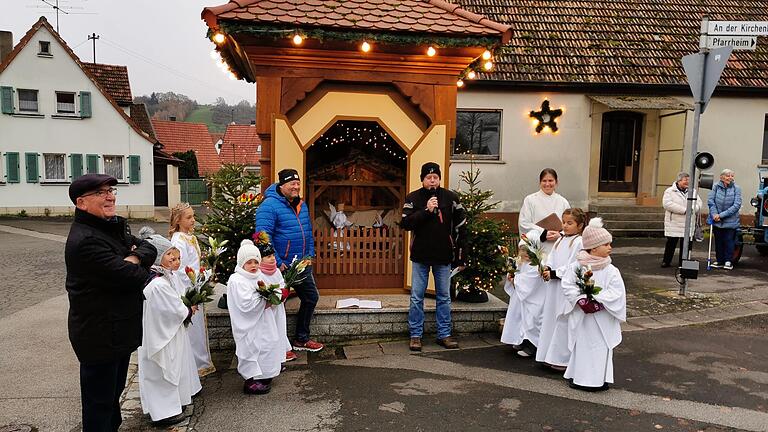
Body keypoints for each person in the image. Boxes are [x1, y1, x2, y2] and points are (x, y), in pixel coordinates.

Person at [65, 174, 157, 431]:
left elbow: (149, 247)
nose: (110, 196)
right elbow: (133, 277)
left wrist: (133, 257)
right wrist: (135, 263)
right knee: (99, 405)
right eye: (101, 193)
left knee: (112, 398)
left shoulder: (109, 228)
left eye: (111, 190)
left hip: (117, 330)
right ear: (81, 203)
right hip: (99, 334)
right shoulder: (86, 241)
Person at [137, 228, 201, 426]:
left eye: (176, 256)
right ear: (156, 259)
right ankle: (163, 412)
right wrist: (188, 310)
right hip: (161, 335)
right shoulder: (157, 284)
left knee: (174, 367)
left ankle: (174, 403)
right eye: (170, 256)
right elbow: (173, 308)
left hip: (171, 331)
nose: (175, 261)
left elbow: (178, 298)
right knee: (161, 370)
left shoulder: (167, 277)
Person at [255, 168, 324, 352]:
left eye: (298, 183)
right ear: (282, 185)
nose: (296, 187)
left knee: (310, 297)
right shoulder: (269, 205)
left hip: (301, 263)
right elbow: (262, 235)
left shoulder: (301, 204)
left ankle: (301, 339)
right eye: (292, 183)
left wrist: (309, 255)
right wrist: (277, 261)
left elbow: (307, 232)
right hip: (282, 265)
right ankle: (279, 346)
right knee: (277, 305)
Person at [401, 162, 468, 352]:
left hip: (443, 256)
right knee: (416, 297)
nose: (432, 181)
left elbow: (461, 228)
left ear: (439, 179)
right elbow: (405, 223)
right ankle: (415, 335)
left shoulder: (450, 198)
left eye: (435, 177)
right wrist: (426, 211)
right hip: (421, 256)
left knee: (444, 297)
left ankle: (444, 334)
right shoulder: (413, 198)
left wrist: (461, 257)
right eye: (429, 178)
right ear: (422, 179)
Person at [560, 218, 626, 391]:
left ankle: (598, 379)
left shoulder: (611, 270)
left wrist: (599, 302)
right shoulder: (577, 266)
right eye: (606, 244)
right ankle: (579, 377)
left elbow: (616, 291)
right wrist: (580, 299)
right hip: (582, 316)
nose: (610, 248)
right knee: (582, 345)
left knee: (599, 346)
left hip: (602, 317)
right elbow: (567, 284)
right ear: (594, 247)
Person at [227, 240, 286, 394]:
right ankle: (251, 379)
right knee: (252, 348)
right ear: (242, 263)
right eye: (249, 262)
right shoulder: (237, 280)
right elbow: (245, 304)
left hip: (264, 320)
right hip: (249, 323)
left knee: (268, 343)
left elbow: (267, 290)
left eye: (255, 262)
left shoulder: (258, 276)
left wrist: (276, 295)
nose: (253, 265)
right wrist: (266, 300)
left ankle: (265, 374)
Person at [169, 203, 216, 376]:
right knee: (192, 329)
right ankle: (193, 365)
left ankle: (200, 362)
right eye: (188, 217)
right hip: (188, 287)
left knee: (198, 329)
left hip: (195, 284)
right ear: (178, 220)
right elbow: (180, 268)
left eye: (193, 216)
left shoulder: (191, 237)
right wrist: (198, 276)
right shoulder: (178, 240)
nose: (193, 220)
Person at [537, 208, 586, 370]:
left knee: (562, 319)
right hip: (553, 286)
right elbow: (552, 256)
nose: (565, 226)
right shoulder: (560, 240)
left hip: (564, 287)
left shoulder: (579, 242)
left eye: (569, 223)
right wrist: (547, 267)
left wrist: (555, 273)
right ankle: (547, 354)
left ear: (580, 226)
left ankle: (562, 359)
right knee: (550, 318)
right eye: (563, 222)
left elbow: (574, 265)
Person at [500, 229, 547, 357]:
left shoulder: (537, 265)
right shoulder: (521, 262)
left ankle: (532, 345)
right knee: (519, 319)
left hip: (534, 298)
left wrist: (516, 280)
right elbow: (518, 274)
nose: (526, 254)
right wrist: (512, 276)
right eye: (523, 250)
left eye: (529, 250)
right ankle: (520, 340)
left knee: (532, 320)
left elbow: (529, 280)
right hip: (520, 298)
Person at [253, 231, 298, 363]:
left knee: (280, 326)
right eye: (268, 256)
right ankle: (270, 353)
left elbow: (281, 283)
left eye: (273, 255)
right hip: (267, 308)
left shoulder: (276, 270)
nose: (272, 258)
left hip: (278, 308)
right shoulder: (259, 273)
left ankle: (283, 348)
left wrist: (284, 291)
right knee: (269, 330)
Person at [518, 168, 570, 253]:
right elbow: (524, 223)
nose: (547, 184)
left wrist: (561, 234)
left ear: (556, 182)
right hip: (538, 246)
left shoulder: (563, 202)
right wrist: (544, 233)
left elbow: (570, 224)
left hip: (557, 246)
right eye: (544, 181)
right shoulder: (530, 200)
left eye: (550, 180)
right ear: (540, 182)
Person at [662, 172, 703, 268]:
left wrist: (693, 209)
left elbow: (699, 204)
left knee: (686, 244)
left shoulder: (693, 191)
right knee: (671, 243)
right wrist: (684, 210)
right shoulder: (670, 191)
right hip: (674, 222)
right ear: (679, 181)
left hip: (688, 222)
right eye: (685, 180)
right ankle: (666, 261)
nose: (687, 182)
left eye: (689, 180)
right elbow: (667, 204)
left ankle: (683, 262)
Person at [708, 169, 742, 270]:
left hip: (730, 220)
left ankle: (728, 261)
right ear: (721, 177)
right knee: (718, 241)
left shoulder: (737, 188)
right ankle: (719, 260)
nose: (730, 178)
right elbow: (711, 201)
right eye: (728, 176)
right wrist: (714, 214)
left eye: (732, 176)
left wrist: (721, 215)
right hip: (716, 219)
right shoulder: (715, 187)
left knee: (728, 240)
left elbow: (736, 205)